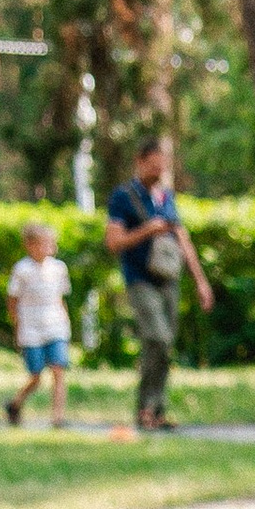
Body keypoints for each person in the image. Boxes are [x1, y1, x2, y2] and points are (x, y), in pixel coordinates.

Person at [102, 132, 213, 432]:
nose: (158, 171)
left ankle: (156, 410)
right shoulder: (123, 197)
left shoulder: (166, 197)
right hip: (139, 278)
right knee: (157, 337)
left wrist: (201, 281)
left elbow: (182, 238)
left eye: (161, 166)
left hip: (169, 279)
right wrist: (147, 231)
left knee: (165, 346)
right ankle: (145, 409)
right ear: (139, 162)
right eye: (152, 165)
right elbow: (113, 242)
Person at [3, 220, 72, 430]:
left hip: (55, 325)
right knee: (36, 376)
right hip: (31, 328)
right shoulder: (22, 270)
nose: (49, 248)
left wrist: (65, 321)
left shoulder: (58, 268)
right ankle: (15, 404)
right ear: (30, 245)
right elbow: (13, 300)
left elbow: (60, 297)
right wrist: (17, 325)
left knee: (58, 369)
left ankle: (58, 417)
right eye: (43, 243)